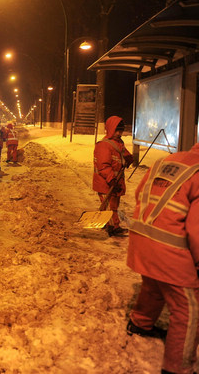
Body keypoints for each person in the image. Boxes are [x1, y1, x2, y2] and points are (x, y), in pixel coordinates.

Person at [126, 141, 199, 374]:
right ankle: (178, 367)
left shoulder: (168, 160)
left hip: (141, 236)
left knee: (154, 284)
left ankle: (140, 322)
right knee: (188, 308)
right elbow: (197, 230)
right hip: (169, 246)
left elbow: (140, 194)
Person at [92, 116, 134, 237]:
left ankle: (108, 223)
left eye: (120, 131)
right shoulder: (103, 145)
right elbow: (103, 166)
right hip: (105, 182)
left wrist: (129, 159)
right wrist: (111, 180)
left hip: (115, 181)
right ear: (110, 129)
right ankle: (113, 227)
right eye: (116, 130)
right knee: (111, 206)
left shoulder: (118, 143)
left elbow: (123, 153)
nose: (119, 133)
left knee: (113, 205)